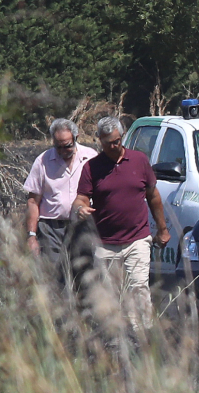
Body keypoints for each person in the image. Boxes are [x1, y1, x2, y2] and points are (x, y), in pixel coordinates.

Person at [73, 117, 170, 328]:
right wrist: (80, 208)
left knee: (139, 287)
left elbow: (153, 197)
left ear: (122, 136)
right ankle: (116, 335)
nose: (114, 146)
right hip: (105, 242)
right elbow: (81, 198)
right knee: (110, 292)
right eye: (108, 143)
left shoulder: (139, 160)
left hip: (137, 238)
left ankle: (143, 332)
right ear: (99, 141)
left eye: (117, 141)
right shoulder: (92, 168)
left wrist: (162, 229)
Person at [24, 118, 98, 278]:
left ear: (76, 138)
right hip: (51, 229)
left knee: (84, 277)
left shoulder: (91, 157)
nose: (64, 150)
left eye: (68, 145)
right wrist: (31, 235)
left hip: (82, 227)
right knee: (55, 278)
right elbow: (32, 201)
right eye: (59, 147)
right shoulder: (43, 161)